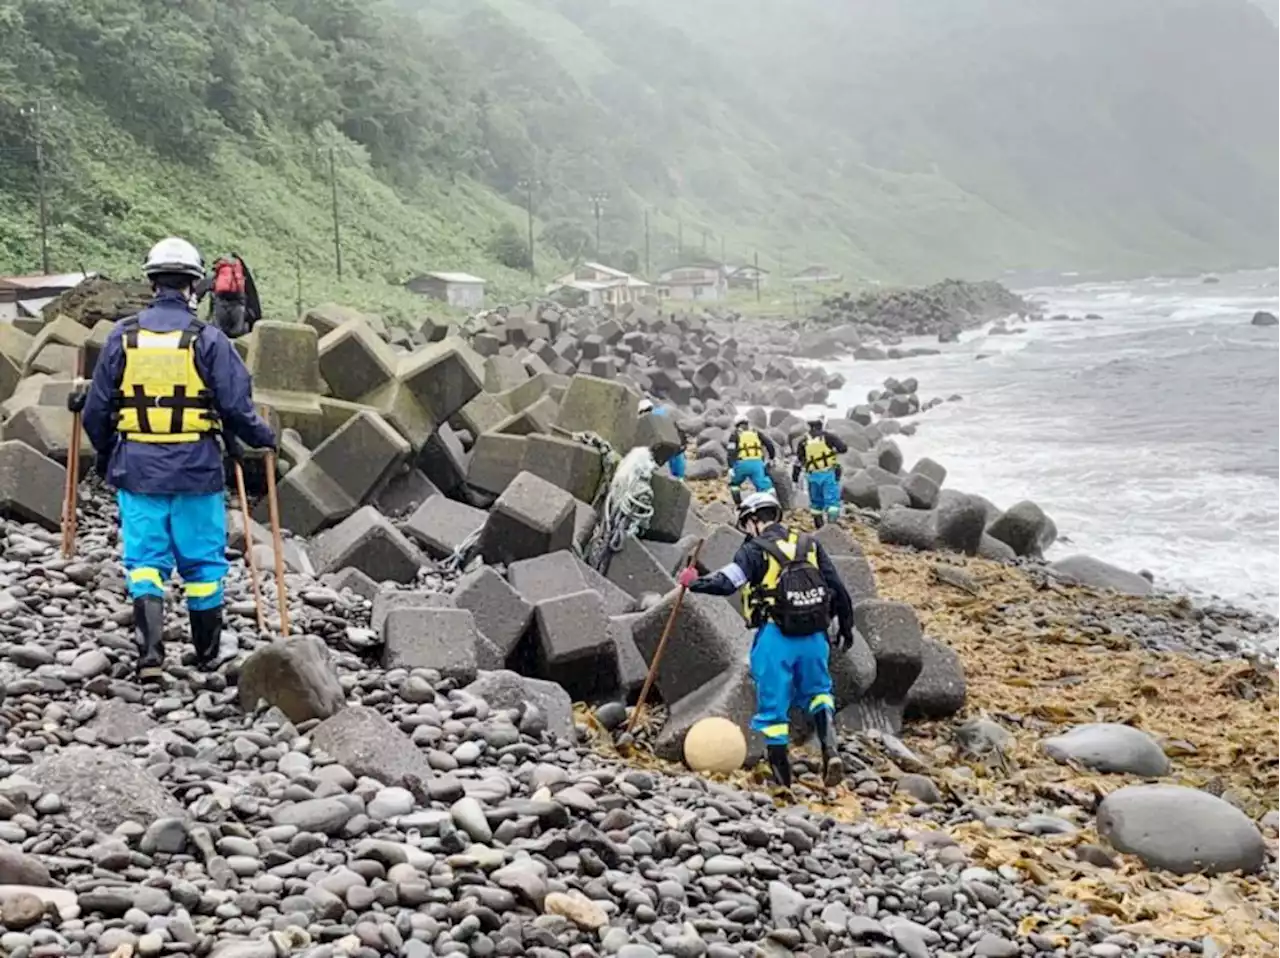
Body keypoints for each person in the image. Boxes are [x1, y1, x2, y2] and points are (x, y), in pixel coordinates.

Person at [77, 237, 277, 681]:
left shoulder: (122, 337)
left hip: (138, 470)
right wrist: (267, 438)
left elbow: (97, 412)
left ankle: (150, 656)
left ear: (152, 283)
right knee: (203, 566)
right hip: (197, 471)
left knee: (145, 561)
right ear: (193, 287)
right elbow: (237, 409)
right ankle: (206, 654)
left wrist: (112, 457)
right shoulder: (209, 340)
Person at [678, 491, 854, 790]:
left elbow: (726, 583)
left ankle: (783, 786)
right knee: (820, 693)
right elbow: (837, 587)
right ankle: (830, 750)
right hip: (814, 636)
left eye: (746, 523)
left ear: (753, 521)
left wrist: (693, 583)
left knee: (773, 711)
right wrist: (846, 626)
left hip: (776, 638)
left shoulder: (753, 551)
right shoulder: (809, 544)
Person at [792, 416, 849, 528]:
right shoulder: (828, 437)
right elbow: (843, 448)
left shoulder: (803, 441)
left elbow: (798, 462)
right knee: (832, 502)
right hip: (828, 474)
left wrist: (795, 478)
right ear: (820, 424)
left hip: (812, 476)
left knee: (816, 504)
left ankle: (819, 528)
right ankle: (831, 528)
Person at [196, 252, 259, 339]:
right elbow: (252, 298)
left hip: (220, 311)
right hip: (238, 312)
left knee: (216, 334)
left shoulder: (215, 276)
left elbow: (198, 292)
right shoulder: (242, 277)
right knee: (238, 336)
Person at [726, 415, 776, 505]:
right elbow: (769, 444)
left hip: (742, 464)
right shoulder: (756, 433)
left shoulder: (735, 435)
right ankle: (768, 503)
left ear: (736, 425)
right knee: (764, 485)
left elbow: (731, 452)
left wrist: (730, 467)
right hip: (757, 464)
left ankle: (738, 504)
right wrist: (772, 458)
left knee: (734, 484)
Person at [639, 398, 687, 481]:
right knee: (677, 465)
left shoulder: (650, 417)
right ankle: (678, 480)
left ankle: (676, 480)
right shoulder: (660, 412)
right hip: (676, 444)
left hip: (669, 444)